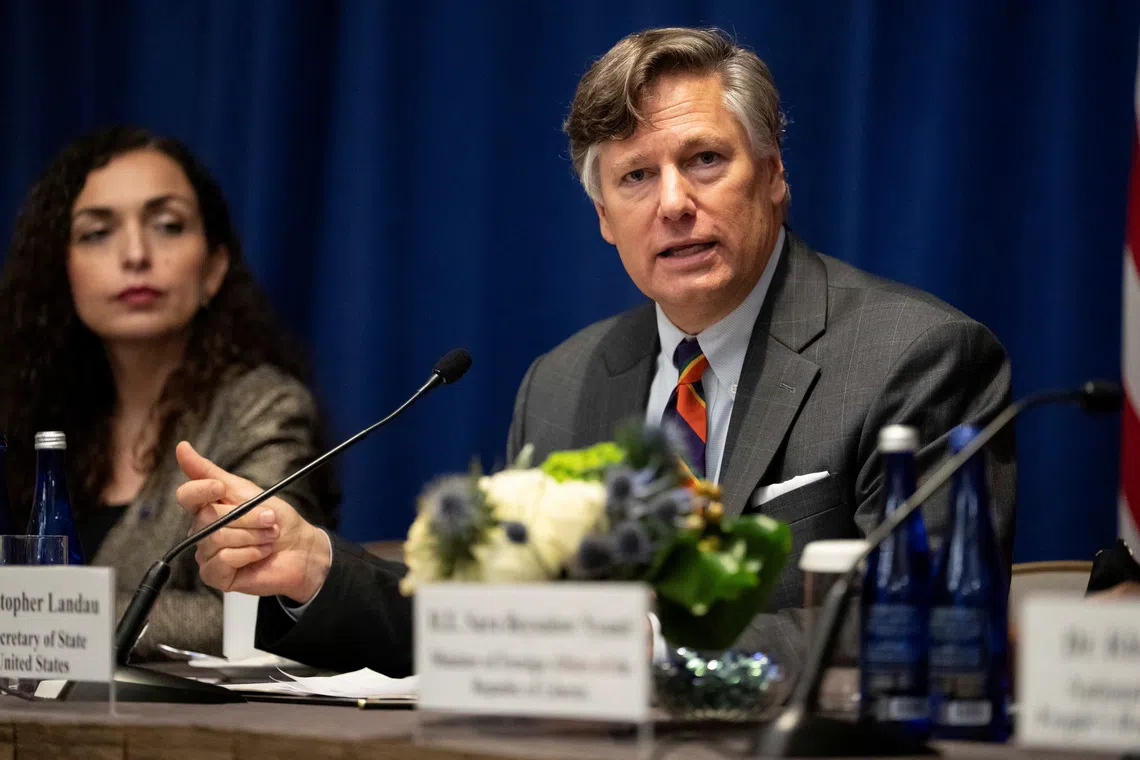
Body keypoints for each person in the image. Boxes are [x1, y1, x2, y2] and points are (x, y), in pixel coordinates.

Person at [174, 27, 1014, 678]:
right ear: (604, 218)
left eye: (706, 160)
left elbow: (922, 629)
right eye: (636, 177)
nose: (675, 203)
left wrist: (646, 649)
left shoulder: (917, 357)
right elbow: (490, 625)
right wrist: (315, 566)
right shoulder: (563, 382)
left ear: (774, 175)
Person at [0, 126, 338, 659]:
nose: (135, 254)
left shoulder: (262, 409)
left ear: (213, 269)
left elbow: (252, 610)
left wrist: (37, 615)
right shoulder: (34, 416)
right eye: (97, 233)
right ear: (62, 274)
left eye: (167, 225)